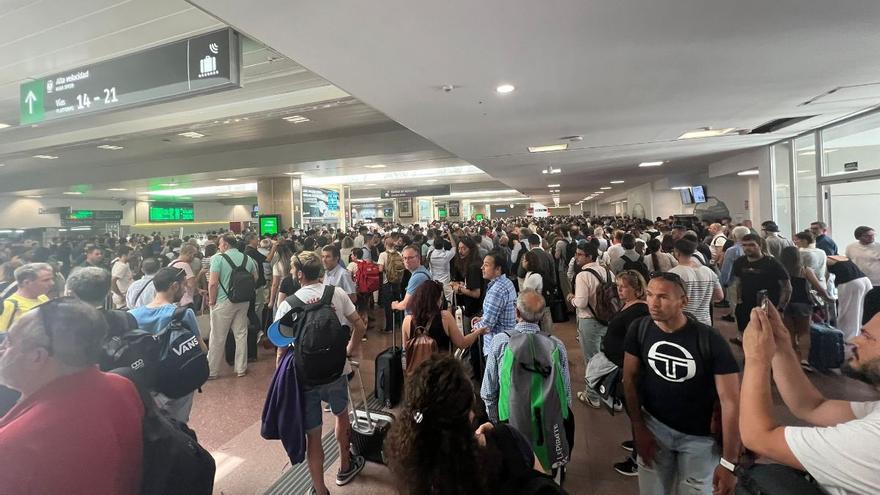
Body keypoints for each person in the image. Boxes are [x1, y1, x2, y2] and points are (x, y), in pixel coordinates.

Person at [0, 298, 144, 493]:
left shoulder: (14, 445)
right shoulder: (121, 386)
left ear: (36, 357)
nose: (1, 349)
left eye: (8, 342)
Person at [739, 304, 880, 495]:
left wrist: (756, 358)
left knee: (765, 479)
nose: (855, 339)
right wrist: (781, 346)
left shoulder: (872, 438)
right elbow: (812, 407)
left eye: (867, 336)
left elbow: (758, 437)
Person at [623, 272, 741, 495]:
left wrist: (728, 463)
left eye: (663, 297)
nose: (653, 303)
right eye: (649, 295)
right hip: (654, 427)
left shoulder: (710, 340)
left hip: (700, 439)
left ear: (683, 302)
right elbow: (629, 378)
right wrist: (638, 427)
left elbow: (731, 402)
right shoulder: (640, 329)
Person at [273, 251, 366, 495]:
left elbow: (281, 348)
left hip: (305, 374)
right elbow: (359, 324)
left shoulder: (288, 304)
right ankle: (346, 465)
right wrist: (349, 349)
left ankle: (319, 488)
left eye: (294, 271)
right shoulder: (336, 293)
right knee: (341, 415)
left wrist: (279, 376)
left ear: (300, 274)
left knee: (313, 435)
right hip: (336, 369)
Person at [387, 355, 542, 494]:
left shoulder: (413, 472)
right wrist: (502, 438)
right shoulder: (503, 446)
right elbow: (543, 483)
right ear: (469, 415)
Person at [129, 267, 203, 423]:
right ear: (174, 286)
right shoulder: (183, 314)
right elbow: (202, 348)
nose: (185, 290)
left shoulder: (132, 316)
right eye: (183, 286)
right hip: (178, 380)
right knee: (178, 426)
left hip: (148, 382)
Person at [601, 270, 650, 476]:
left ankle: (639, 460)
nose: (619, 291)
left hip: (630, 369)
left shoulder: (639, 311)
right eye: (618, 286)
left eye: (623, 287)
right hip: (621, 365)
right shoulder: (630, 306)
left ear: (637, 289)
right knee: (632, 411)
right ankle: (637, 441)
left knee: (637, 411)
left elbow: (636, 341)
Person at [207, 234, 258, 379]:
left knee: (217, 336)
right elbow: (255, 278)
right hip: (243, 301)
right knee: (241, 334)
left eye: (220, 244)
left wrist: (211, 301)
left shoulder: (218, 258)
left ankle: (212, 371)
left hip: (223, 301)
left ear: (226, 245)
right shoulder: (247, 258)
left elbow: (212, 283)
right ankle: (241, 369)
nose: (218, 247)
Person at [569, 243, 614, 407]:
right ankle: (608, 393)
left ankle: (592, 396)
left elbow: (581, 302)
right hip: (607, 320)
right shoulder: (608, 272)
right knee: (606, 358)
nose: (576, 257)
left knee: (592, 359)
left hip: (589, 320)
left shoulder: (583, 275)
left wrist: (571, 299)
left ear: (589, 256)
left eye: (580, 254)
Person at [731, 234, 792, 341]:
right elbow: (738, 283)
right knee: (745, 335)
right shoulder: (739, 262)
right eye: (744, 245)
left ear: (759, 246)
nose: (747, 248)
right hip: (745, 306)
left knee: (767, 338)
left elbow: (787, 287)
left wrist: (781, 308)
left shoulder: (772, 263)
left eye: (751, 245)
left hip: (767, 306)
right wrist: (739, 300)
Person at [779, 246, 830, 370]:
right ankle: (804, 360)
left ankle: (791, 360)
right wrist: (828, 297)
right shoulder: (805, 270)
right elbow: (819, 288)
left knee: (789, 332)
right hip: (803, 303)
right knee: (804, 332)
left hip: (785, 302)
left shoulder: (779, 270)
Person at [402, 280, 486, 356]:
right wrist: (477, 332)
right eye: (441, 298)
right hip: (442, 369)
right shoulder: (445, 317)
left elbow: (405, 349)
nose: (441, 301)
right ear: (436, 299)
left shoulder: (407, 320)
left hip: (417, 371)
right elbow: (462, 343)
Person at [471, 250, 517, 367]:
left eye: (486, 265)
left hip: (496, 346)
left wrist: (475, 328)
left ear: (498, 269)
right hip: (508, 340)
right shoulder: (507, 282)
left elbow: (487, 326)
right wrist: (482, 318)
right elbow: (497, 314)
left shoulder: (497, 290)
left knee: (495, 382)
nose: (482, 268)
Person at [669, 239, 724, 326]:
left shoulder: (674, 274)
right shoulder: (708, 271)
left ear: (677, 252)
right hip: (705, 322)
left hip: (683, 322)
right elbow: (719, 296)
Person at [826, 255, 873, 340]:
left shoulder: (820, 258)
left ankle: (846, 347)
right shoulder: (838, 257)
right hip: (865, 280)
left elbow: (822, 280)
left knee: (847, 319)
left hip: (850, 283)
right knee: (862, 317)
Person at [0, 263, 53, 333]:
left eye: (51, 279)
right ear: (27, 283)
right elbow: (2, 335)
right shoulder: (9, 304)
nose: (52, 283)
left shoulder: (43, 298)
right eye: (46, 280)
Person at [391, 245, 432, 315]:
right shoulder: (422, 271)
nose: (407, 261)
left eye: (410, 258)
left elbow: (405, 304)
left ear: (418, 258)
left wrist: (395, 305)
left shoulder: (418, 277)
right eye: (404, 258)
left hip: (416, 320)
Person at [521, 250, 555, 332]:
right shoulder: (530, 273)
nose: (522, 261)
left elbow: (527, 293)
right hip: (539, 306)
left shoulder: (534, 276)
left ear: (529, 262)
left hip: (539, 307)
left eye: (524, 260)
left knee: (545, 332)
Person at [378, 237, 404, 332]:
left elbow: (380, 269)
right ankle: (399, 323)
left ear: (385, 244)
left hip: (387, 282)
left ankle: (389, 327)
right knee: (397, 302)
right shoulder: (398, 254)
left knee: (388, 305)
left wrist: (387, 271)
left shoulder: (383, 255)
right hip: (397, 282)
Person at [169, 244, 198, 309]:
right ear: (189, 253)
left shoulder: (171, 264)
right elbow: (192, 285)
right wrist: (200, 274)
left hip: (174, 301)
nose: (194, 258)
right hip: (186, 301)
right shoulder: (185, 265)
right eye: (194, 255)